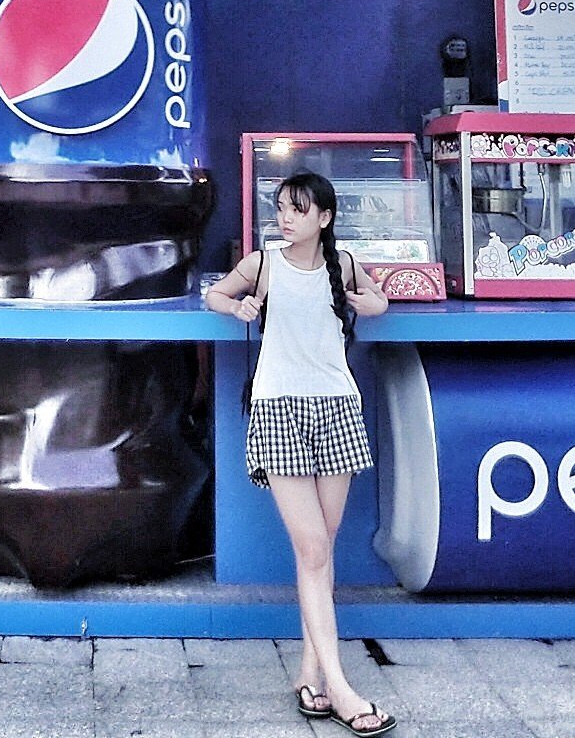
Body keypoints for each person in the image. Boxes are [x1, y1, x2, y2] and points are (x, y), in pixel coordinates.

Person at [204, 172, 394, 734]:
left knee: (321, 551)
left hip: (337, 408)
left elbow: (381, 298)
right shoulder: (263, 263)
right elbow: (215, 292)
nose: (286, 218)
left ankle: (310, 674)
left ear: (324, 218)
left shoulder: (344, 264)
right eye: (282, 207)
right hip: (278, 411)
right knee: (313, 549)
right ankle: (340, 688)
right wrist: (235, 309)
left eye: (299, 209)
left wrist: (369, 302)